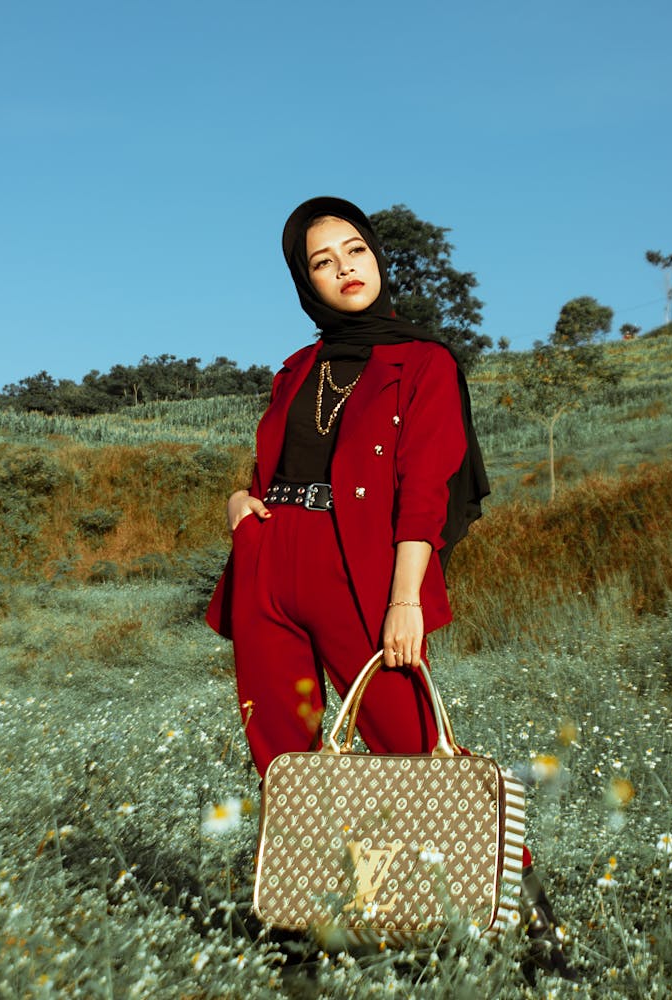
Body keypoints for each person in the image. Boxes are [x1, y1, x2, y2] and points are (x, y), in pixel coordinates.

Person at [206, 196, 577, 980]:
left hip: (363, 572)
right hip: (270, 564)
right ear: (304, 281)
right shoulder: (295, 370)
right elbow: (273, 465)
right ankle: (302, 926)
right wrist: (241, 506)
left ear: (378, 257)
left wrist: (405, 598)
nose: (345, 268)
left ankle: (536, 918)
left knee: (416, 744)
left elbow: (424, 488)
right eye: (322, 261)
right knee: (284, 757)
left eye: (355, 251)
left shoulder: (423, 361)